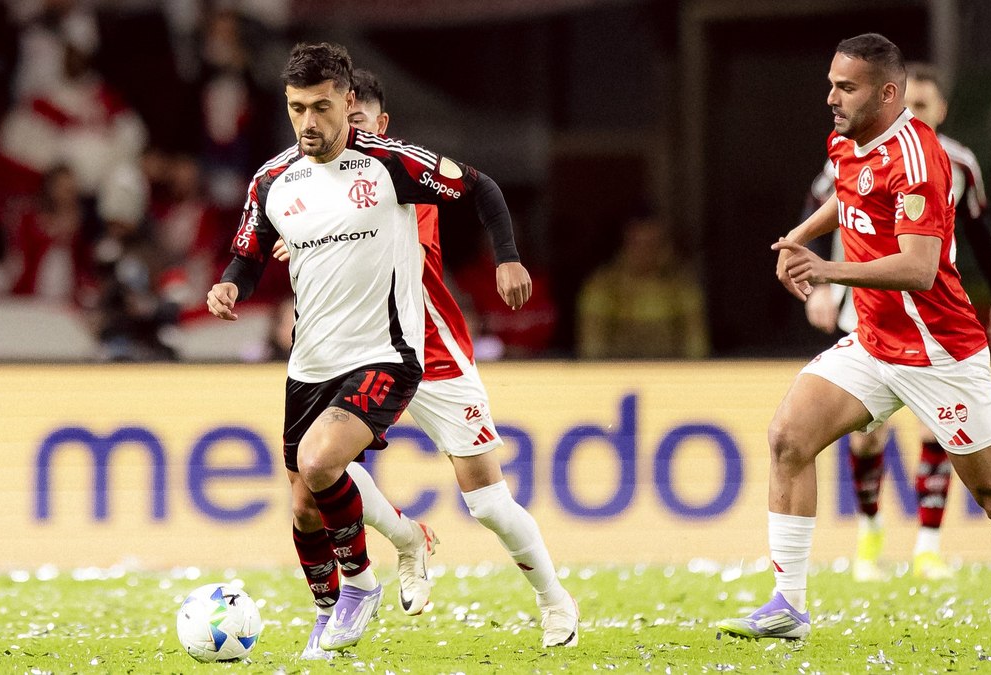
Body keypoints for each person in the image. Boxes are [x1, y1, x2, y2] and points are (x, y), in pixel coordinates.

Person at [718, 33, 991, 641]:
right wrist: (800, 236)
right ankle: (788, 606)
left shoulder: (920, 159)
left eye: (845, 88)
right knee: (789, 439)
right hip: (875, 341)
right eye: (831, 85)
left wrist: (827, 269)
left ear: (887, 94)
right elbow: (848, 194)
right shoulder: (847, 138)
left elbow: (919, 268)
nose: (831, 98)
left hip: (938, 351)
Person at [205, 44, 539, 656]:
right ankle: (333, 604)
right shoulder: (272, 180)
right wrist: (231, 284)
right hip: (310, 362)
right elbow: (248, 253)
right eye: (297, 109)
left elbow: (481, 187)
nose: (309, 122)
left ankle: (361, 585)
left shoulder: (392, 164)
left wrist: (508, 258)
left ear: (347, 100)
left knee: (319, 463)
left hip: (385, 354)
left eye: (321, 107)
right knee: (304, 507)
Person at [268, 67, 579, 654]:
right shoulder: (311, 180)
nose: (343, 136)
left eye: (357, 123)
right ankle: (407, 539)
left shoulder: (400, 175)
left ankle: (553, 597)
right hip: (359, 353)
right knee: (318, 467)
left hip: (431, 351)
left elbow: (450, 196)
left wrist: (507, 255)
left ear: (380, 126)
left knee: (487, 502)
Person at [802, 63, 991, 582]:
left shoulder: (957, 163)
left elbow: (980, 231)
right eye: (906, 105)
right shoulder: (857, 150)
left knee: (937, 430)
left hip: (930, 320)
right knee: (865, 438)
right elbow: (823, 202)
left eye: (922, 106)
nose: (912, 115)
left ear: (941, 110)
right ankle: (869, 532)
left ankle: (927, 546)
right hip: (866, 313)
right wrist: (822, 282)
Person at [576, 214, 709, 359]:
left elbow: (696, 345)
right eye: (637, 244)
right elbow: (592, 347)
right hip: (619, 370)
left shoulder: (682, 287)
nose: (645, 252)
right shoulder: (603, 286)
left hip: (670, 369)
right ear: (624, 246)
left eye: (652, 244)